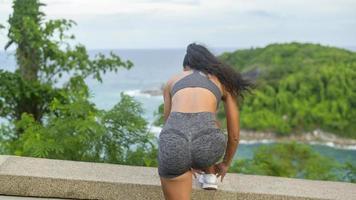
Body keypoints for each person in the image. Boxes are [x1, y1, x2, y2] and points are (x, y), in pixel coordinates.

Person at [158, 43, 253, 200]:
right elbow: (234, 135)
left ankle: (192, 163)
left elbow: (168, 122)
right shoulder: (221, 81)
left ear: (185, 68)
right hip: (208, 145)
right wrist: (225, 164)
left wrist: (184, 159)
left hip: (175, 142)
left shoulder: (172, 81)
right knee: (211, 122)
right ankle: (209, 174)